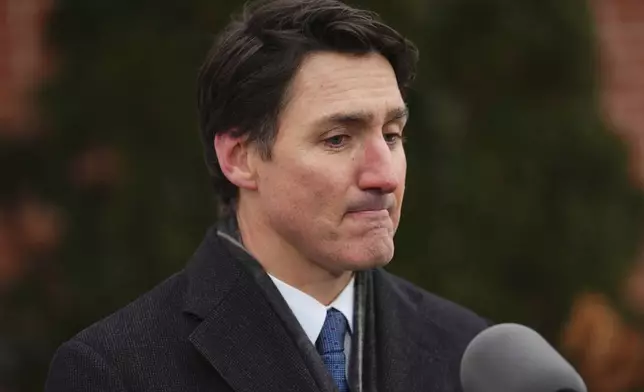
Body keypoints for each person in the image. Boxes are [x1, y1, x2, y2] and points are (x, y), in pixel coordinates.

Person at [44, 0, 488, 391]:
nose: (384, 176)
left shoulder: (469, 354)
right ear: (240, 158)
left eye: (392, 135)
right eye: (337, 139)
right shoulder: (115, 372)